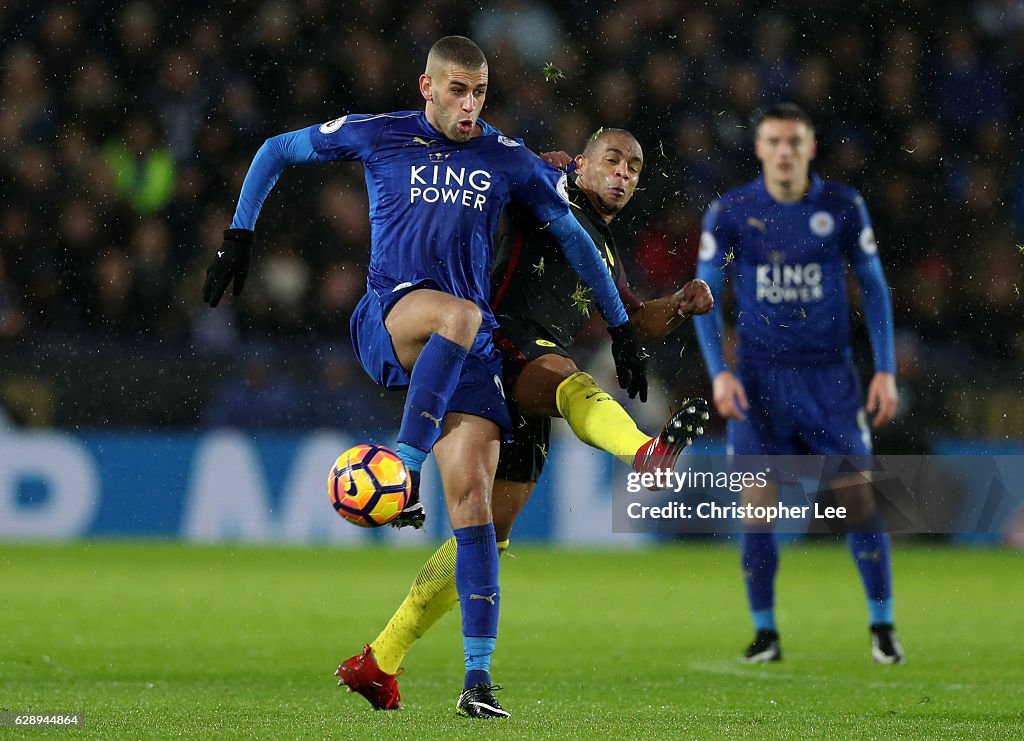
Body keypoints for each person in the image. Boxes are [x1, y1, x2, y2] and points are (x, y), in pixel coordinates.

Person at [201, 36, 647, 719]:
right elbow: (274, 150)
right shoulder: (378, 134)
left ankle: (473, 678)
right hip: (393, 316)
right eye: (459, 90)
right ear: (427, 87)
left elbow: (577, 242)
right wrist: (240, 234)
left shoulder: (504, 157)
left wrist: (619, 326)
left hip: (466, 354)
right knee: (461, 313)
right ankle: (403, 463)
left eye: (481, 93)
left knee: (477, 511)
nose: (471, 105)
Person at [335, 128, 714, 710]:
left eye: (634, 168)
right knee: (571, 381)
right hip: (500, 347)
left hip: (533, 377)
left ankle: (378, 660)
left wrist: (680, 305)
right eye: (611, 161)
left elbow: (631, 321)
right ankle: (644, 452)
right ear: (583, 164)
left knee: (485, 540)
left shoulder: (604, 250)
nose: (623, 174)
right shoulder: (548, 193)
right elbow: (497, 170)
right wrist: (544, 161)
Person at [692, 103, 903, 664]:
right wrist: (719, 374)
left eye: (794, 141)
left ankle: (882, 625)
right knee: (757, 505)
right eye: (774, 141)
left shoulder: (842, 206)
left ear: (810, 148)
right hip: (759, 382)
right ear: (759, 148)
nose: (784, 151)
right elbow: (702, 299)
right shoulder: (731, 212)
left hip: (829, 378)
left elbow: (875, 287)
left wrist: (885, 368)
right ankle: (765, 632)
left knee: (856, 497)